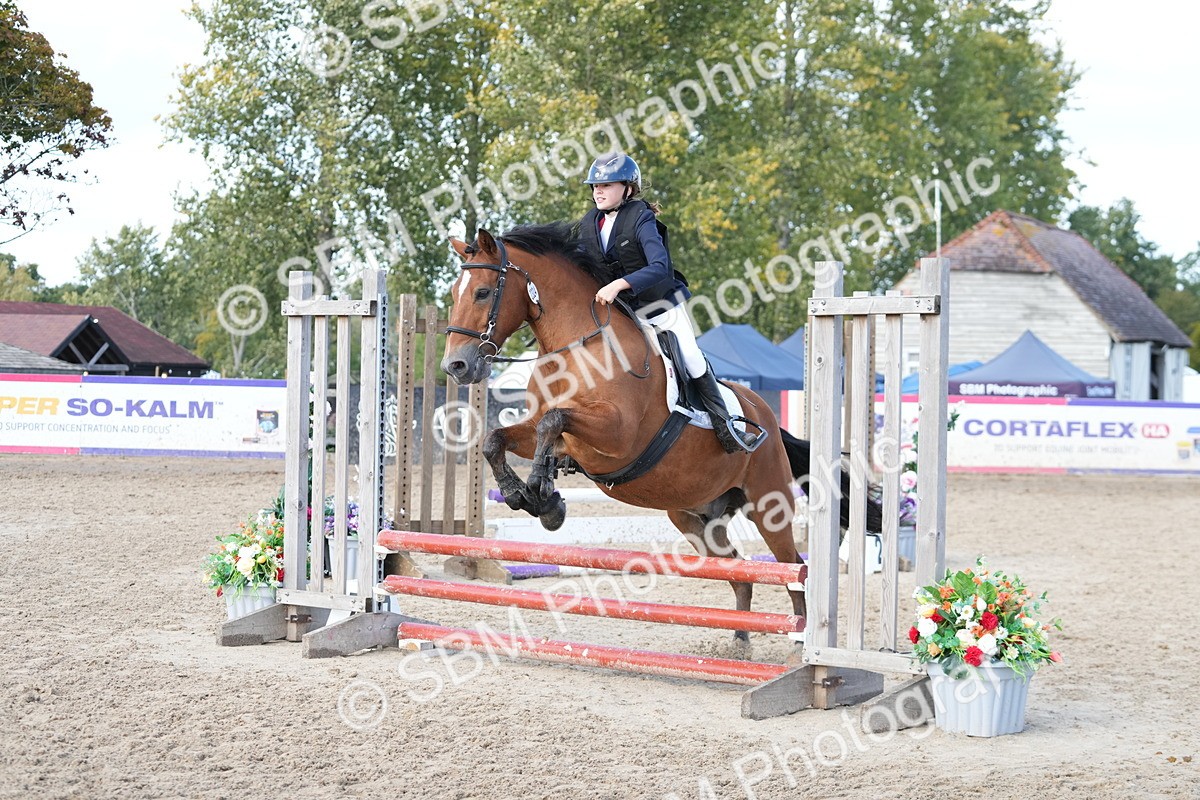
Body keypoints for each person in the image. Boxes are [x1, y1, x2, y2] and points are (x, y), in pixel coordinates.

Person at [577, 152, 762, 453]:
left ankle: (725, 425)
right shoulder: (589, 224)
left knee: (690, 357)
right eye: (595, 186)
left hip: (659, 306)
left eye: (607, 185)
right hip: (621, 313)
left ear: (628, 189)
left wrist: (618, 284)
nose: (598, 191)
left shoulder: (640, 217)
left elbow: (659, 266)